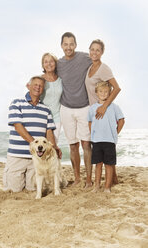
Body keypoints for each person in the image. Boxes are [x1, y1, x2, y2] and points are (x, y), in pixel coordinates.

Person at [3, 76, 61, 192]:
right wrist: (35, 145)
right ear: (28, 86)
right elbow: (18, 127)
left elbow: (49, 131)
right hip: (17, 157)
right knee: (14, 190)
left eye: (40, 86)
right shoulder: (16, 104)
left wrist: (53, 147)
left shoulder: (46, 109)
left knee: (32, 188)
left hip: (36, 159)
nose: (38, 87)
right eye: (35, 84)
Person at [57, 32, 93, 187]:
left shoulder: (85, 58)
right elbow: (48, 74)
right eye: (65, 44)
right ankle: (78, 178)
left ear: (76, 45)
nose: (68, 47)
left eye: (71, 44)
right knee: (73, 145)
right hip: (66, 108)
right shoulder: (58, 63)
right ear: (61, 46)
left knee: (86, 144)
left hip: (84, 107)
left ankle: (89, 180)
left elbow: (98, 63)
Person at [85, 39, 121, 183]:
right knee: (101, 149)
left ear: (102, 52)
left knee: (107, 148)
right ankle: (115, 179)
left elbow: (116, 88)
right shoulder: (90, 67)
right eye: (92, 49)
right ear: (89, 50)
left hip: (102, 110)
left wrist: (104, 106)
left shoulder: (103, 68)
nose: (94, 52)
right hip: (94, 111)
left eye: (98, 50)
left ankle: (112, 180)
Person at [88, 81, 125, 193]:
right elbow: (90, 122)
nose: (103, 93)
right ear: (96, 93)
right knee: (98, 164)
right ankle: (97, 186)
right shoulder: (92, 108)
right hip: (97, 141)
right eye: (101, 91)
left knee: (109, 165)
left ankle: (107, 187)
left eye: (106, 91)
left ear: (110, 93)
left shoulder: (114, 107)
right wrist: (93, 134)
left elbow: (121, 121)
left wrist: (115, 132)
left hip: (109, 141)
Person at [40, 53, 62, 144]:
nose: (49, 64)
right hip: (42, 117)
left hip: (57, 117)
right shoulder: (40, 79)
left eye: (51, 61)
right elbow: (30, 90)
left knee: (53, 145)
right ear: (43, 65)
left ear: (55, 63)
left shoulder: (61, 79)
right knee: (41, 146)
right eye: (46, 62)